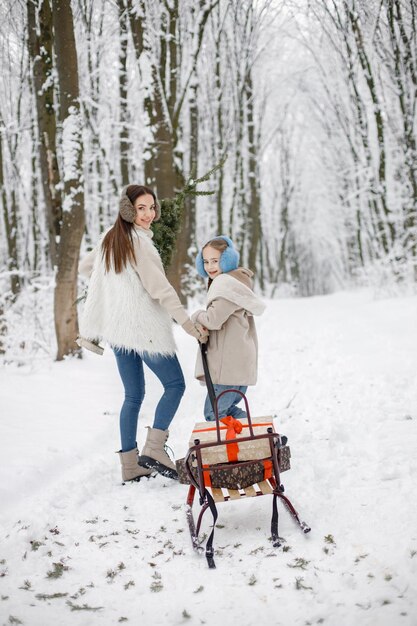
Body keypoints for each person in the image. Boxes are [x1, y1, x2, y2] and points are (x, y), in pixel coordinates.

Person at [78, 185, 208, 482]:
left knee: (133, 395)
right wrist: (188, 324)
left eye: (151, 207)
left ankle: (130, 465)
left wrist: (117, 287)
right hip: (142, 327)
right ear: (128, 210)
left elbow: (88, 268)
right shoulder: (141, 245)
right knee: (175, 384)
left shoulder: (110, 240)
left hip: (118, 329)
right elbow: (160, 289)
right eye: (141, 208)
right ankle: (153, 449)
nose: (149, 214)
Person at [191, 236, 265, 421]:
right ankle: (251, 435)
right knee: (226, 410)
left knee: (213, 413)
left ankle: (251, 437)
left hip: (228, 369)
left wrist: (196, 316)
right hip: (236, 365)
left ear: (227, 260)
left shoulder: (227, 288)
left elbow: (213, 320)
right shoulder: (235, 284)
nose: (209, 266)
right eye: (206, 261)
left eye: (215, 261)